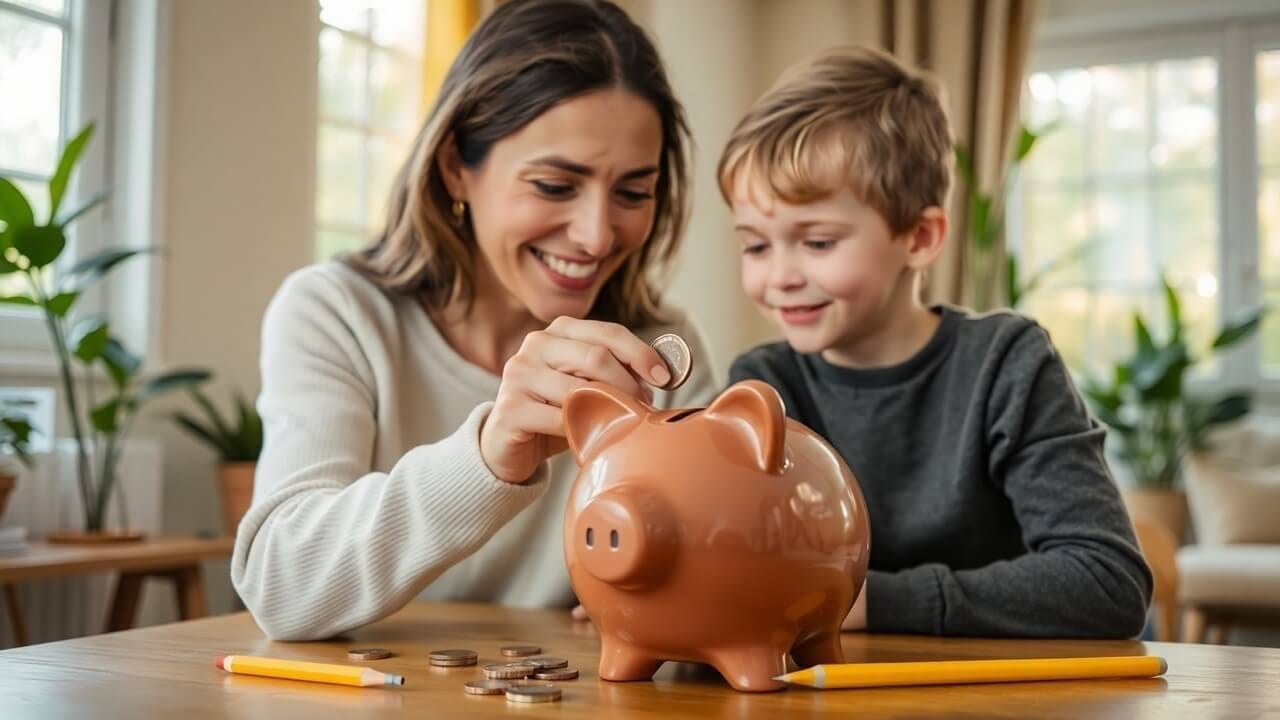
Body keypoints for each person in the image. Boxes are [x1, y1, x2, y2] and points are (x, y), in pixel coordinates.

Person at [231, 0, 717, 641]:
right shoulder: (337, 313)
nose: (598, 235)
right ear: (457, 166)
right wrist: (489, 457)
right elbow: (282, 587)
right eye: (553, 185)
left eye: (632, 192)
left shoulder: (659, 346)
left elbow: (720, 561)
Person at [719, 46, 1152, 637]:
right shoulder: (765, 384)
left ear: (920, 237)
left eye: (817, 242)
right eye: (755, 245)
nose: (779, 277)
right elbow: (735, 563)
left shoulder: (1007, 364)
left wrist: (868, 602)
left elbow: (1108, 584)